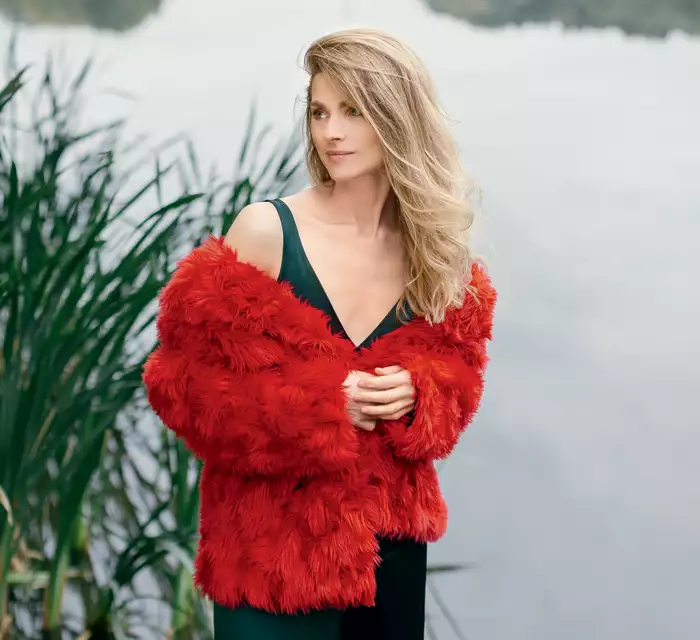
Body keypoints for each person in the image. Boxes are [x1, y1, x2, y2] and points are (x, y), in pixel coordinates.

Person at [143, 27, 496, 640]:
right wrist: (320, 407)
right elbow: (183, 387)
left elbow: (461, 379)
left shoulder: (436, 253)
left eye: (353, 111)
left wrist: (419, 392)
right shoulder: (266, 232)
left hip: (390, 552)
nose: (331, 131)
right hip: (270, 564)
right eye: (319, 111)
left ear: (398, 115)